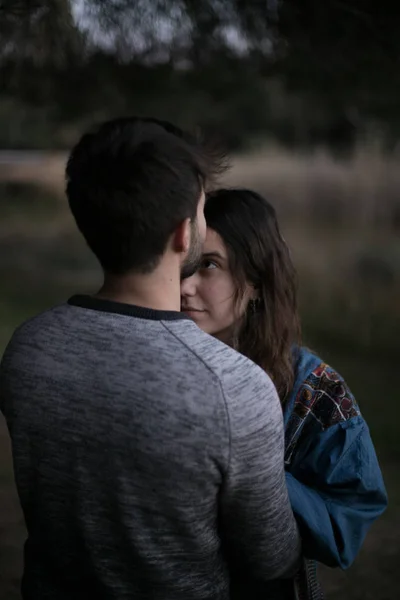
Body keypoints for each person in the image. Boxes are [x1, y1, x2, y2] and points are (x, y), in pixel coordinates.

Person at [0, 119, 301, 600]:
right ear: (185, 234)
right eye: (203, 210)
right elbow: (272, 557)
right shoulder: (232, 387)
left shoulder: (28, 348)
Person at [181, 187, 388, 599]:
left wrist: (253, 467)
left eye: (208, 266)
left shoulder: (317, 390)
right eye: (183, 267)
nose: (185, 287)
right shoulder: (155, 365)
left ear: (256, 281)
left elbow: (346, 523)